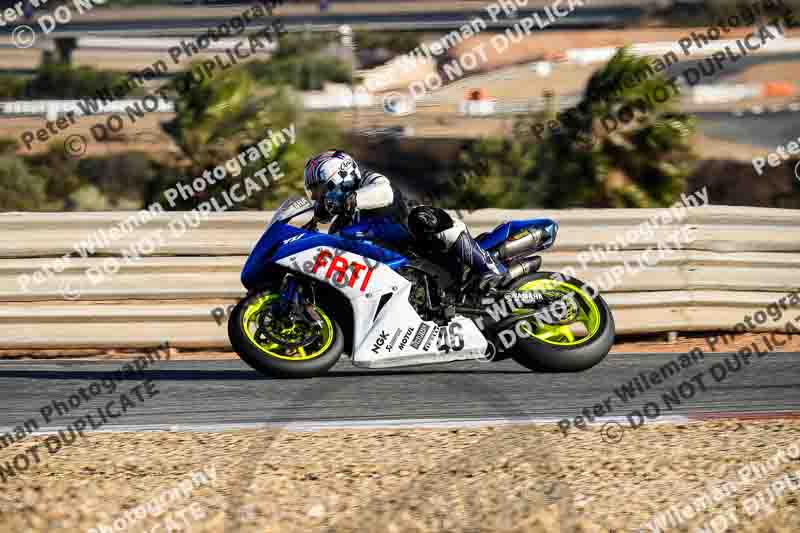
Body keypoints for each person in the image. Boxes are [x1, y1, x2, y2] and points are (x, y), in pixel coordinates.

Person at [303, 150, 506, 291]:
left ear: (337, 178)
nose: (314, 198)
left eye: (318, 189)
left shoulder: (371, 181)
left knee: (422, 216)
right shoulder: (341, 224)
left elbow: (384, 192)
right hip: (397, 277)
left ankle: (489, 269)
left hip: (427, 252)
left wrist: (352, 199)